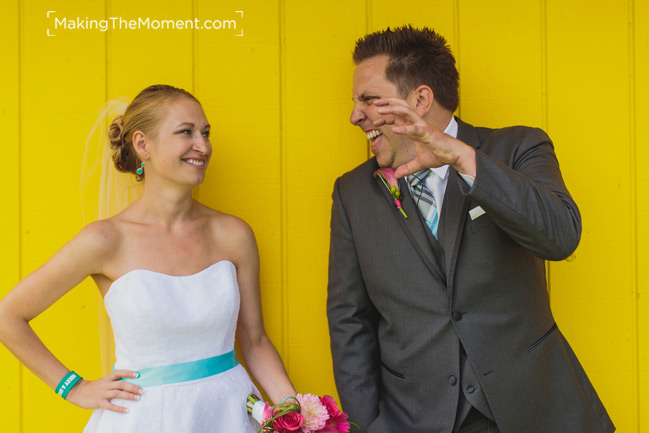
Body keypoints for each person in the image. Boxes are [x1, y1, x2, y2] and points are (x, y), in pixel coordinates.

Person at [326, 26, 614, 433]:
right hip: (415, 419)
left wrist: (464, 160)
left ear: (421, 100)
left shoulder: (519, 149)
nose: (355, 115)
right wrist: (366, 425)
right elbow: (349, 320)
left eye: (369, 100)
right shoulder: (352, 193)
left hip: (534, 412)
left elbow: (561, 236)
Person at [0, 84, 295, 432]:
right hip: (147, 418)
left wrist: (299, 414)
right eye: (186, 132)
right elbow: (8, 316)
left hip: (229, 411)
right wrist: (74, 387)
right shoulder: (105, 240)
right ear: (143, 145)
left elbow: (255, 341)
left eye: (205, 133)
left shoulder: (233, 234)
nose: (203, 146)